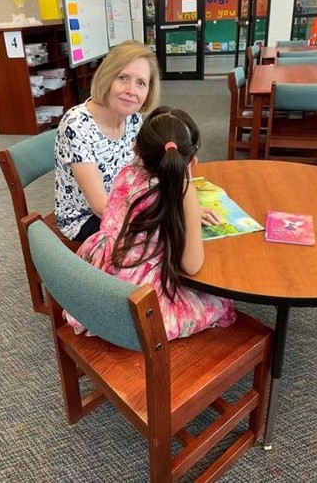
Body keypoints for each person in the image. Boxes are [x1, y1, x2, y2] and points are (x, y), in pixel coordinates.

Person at [64, 106, 236, 341]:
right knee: (221, 303)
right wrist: (192, 210)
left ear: (135, 148)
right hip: (138, 303)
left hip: (104, 276)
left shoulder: (127, 174)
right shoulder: (182, 194)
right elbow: (192, 265)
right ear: (192, 162)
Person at [55, 40, 161, 242]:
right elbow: (101, 207)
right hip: (85, 219)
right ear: (107, 78)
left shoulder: (133, 118)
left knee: (174, 231)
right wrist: (166, 217)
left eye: (141, 83)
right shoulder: (77, 125)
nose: (132, 90)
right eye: (123, 78)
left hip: (125, 202)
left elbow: (148, 169)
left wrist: (180, 207)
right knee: (161, 240)